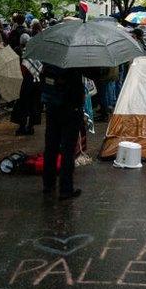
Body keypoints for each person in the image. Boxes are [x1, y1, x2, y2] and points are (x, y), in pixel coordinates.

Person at [40, 63, 86, 200]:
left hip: (52, 109)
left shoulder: (48, 64)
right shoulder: (73, 67)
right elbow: (76, 93)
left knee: (50, 148)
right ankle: (66, 189)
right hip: (70, 111)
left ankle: (48, 185)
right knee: (67, 150)